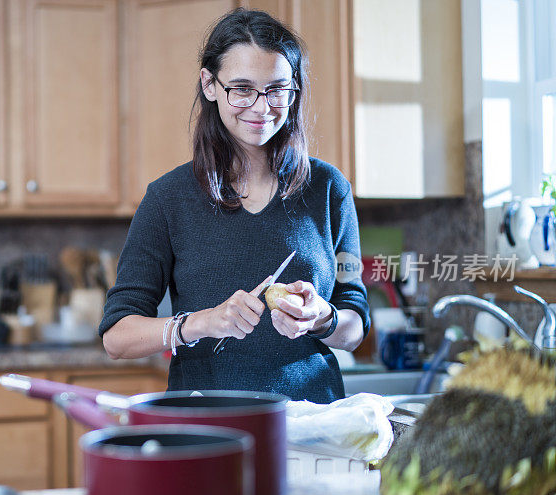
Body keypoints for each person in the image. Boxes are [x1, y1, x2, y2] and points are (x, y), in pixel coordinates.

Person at [99, 8, 369, 403]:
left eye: (277, 89)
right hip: (210, 426)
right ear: (209, 84)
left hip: (313, 423)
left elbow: (355, 324)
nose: (262, 108)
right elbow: (117, 337)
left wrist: (322, 317)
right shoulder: (168, 198)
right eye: (242, 89)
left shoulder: (329, 189)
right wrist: (201, 323)